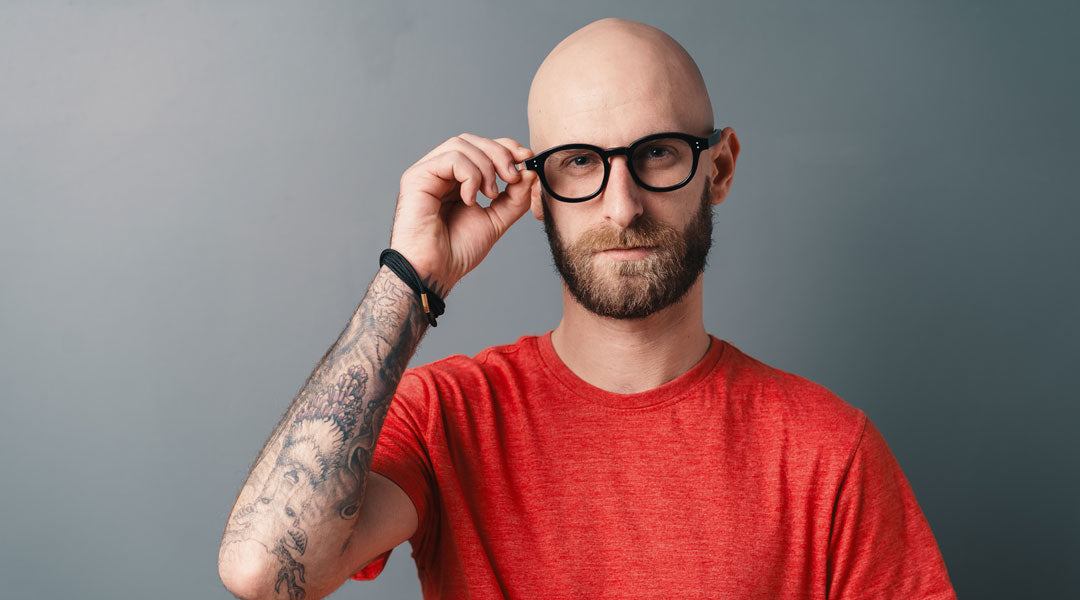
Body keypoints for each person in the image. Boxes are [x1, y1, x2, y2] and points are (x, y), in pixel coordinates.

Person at [218, 18, 957, 600]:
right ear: (537, 193)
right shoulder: (449, 416)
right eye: (579, 162)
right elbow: (262, 570)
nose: (622, 204)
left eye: (658, 153)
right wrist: (410, 277)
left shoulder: (831, 453)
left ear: (719, 167)